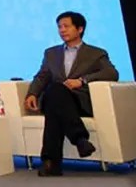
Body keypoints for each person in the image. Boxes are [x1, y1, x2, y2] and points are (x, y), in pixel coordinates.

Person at [24, 11, 119, 177]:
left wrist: (82, 80)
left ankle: (51, 163)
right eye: (59, 27)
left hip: (78, 101)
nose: (62, 30)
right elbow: (42, 76)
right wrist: (32, 94)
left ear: (80, 29)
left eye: (66, 26)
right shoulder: (51, 53)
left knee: (54, 108)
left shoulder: (95, 53)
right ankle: (79, 139)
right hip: (55, 96)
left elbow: (111, 73)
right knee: (56, 89)